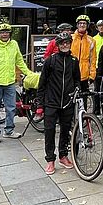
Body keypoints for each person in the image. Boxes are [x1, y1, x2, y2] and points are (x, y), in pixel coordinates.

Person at [37, 30, 79, 173]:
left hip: (67, 102)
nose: (65, 45)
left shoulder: (74, 61)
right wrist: (40, 105)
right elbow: (42, 83)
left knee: (66, 130)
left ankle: (63, 155)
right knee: (49, 131)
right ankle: (50, 160)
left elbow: (77, 79)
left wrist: (77, 90)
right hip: (51, 102)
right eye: (62, 43)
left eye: (67, 42)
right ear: (58, 45)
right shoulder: (51, 60)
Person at [0, 22, 32, 143]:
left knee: (11, 108)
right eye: (2, 32)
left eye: (7, 32)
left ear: (10, 33)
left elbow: (19, 61)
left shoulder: (14, 44)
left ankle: (9, 130)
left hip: (10, 82)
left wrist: (29, 73)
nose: (4, 34)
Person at [72, 14, 97, 111]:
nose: (82, 25)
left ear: (87, 25)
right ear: (77, 25)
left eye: (84, 23)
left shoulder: (91, 41)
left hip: (84, 75)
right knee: (70, 99)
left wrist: (92, 75)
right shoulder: (71, 38)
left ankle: (85, 120)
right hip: (71, 74)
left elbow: (93, 59)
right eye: (80, 23)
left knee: (84, 100)